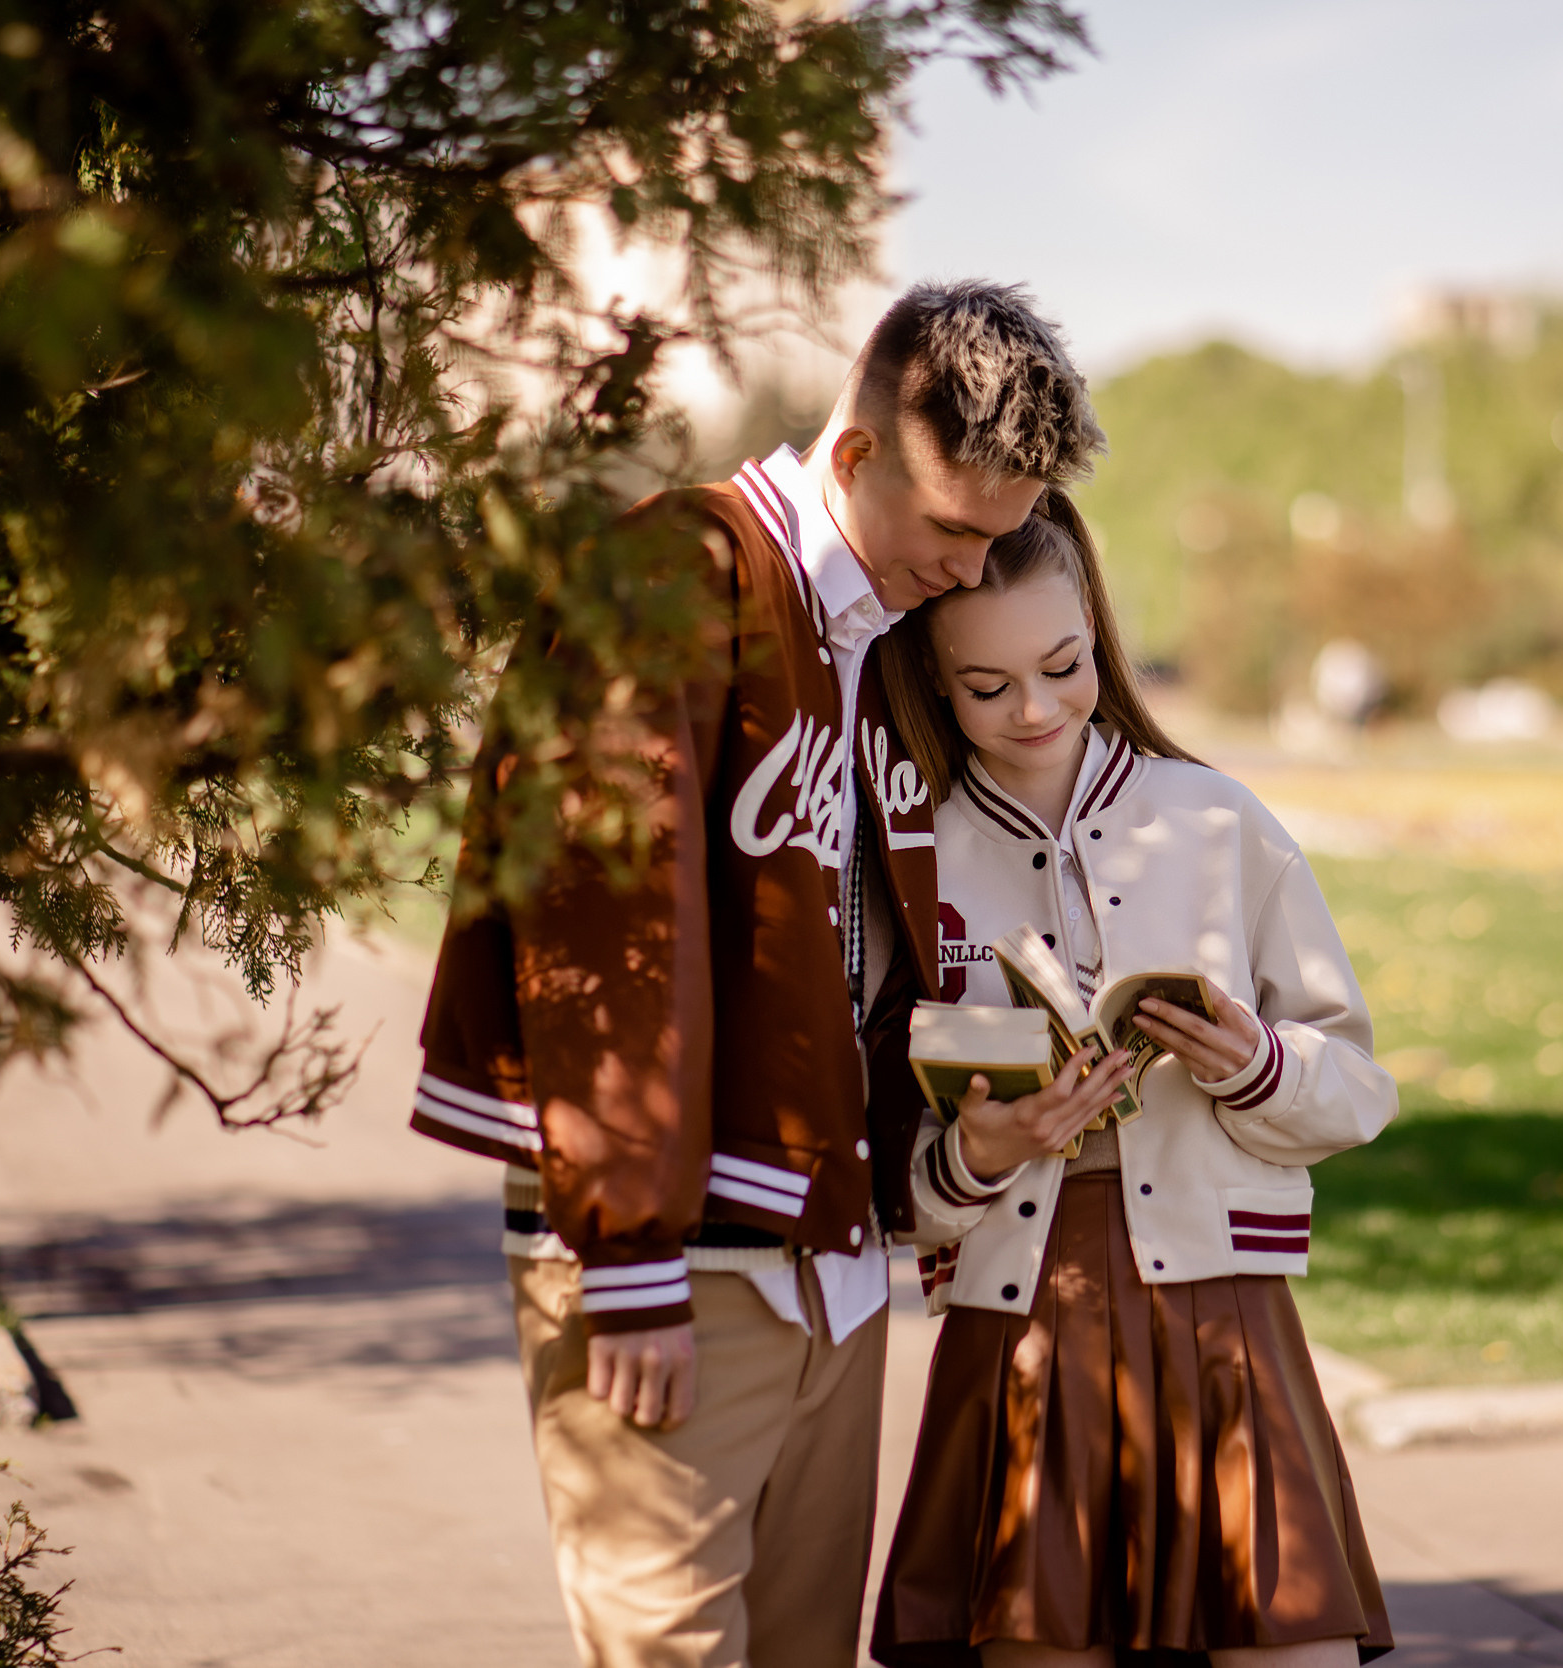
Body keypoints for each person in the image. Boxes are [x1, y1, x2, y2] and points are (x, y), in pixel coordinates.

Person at [408, 283, 1112, 1667]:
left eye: (1000, 537)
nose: (972, 572)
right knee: (671, 1646)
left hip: (831, 1252)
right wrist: (624, 1259)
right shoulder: (674, 578)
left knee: (803, 1651)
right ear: (854, 456)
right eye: (956, 530)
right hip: (675, 1253)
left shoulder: (889, 635)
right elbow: (602, 929)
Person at [871, 492, 1401, 1666]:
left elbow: (1358, 1086)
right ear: (932, 680)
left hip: (1223, 1312)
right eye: (986, 686)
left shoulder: (1218, 821)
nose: (1036, 707)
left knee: (1285, 1639)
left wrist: (1255, 1065)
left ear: (1099, 641)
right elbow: (876, 1170)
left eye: (1062, 666)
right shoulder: (909, 853)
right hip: (1016, 1319)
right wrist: (977, 1153)